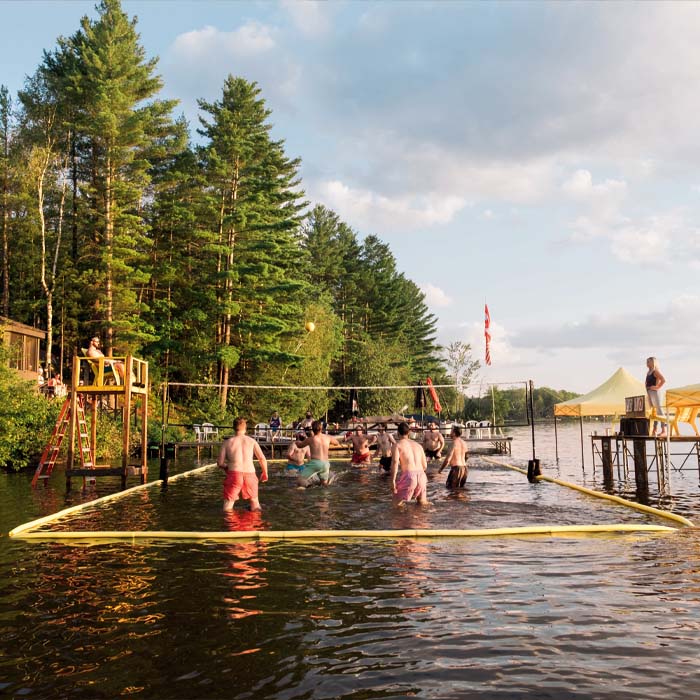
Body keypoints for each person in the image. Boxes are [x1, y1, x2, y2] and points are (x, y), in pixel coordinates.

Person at [217, 417, 268, 511]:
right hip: (250, 474)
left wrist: (226, 467)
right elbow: (262, 458)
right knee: (255, 503)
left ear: (233, 427)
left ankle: (230, 524)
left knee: (228, 505)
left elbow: (220, 463)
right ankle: (255, 524)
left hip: (234, 474)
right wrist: (265, 473)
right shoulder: (252, 441)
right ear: (245, 428)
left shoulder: (227, 443)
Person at [391, 421, 429, 506]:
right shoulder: (418, 445)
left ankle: (404, 519)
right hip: (422, 475)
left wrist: (393, 481)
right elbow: (425, 466)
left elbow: (395, 463)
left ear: (398, 433)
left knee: (395, 505)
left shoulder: (397, 445)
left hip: (409, 476)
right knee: (423, 504)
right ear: (409, 433)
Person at [294, 420, 340, 487]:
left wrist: (296, 442)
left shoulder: (311, 439)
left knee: (300, 480)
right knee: (324, 485)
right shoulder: (328, 437)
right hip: (326, 464)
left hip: (315, 463)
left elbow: (300, 445)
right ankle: (325, 495)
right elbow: (337, 443)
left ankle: (309, 487)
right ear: (321, 428)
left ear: (312, 429)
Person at [646, 357, 667, 437]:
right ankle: (654, 430)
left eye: (648, 361)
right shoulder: (648, 372)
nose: (647, 363)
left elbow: (663, 380)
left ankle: (663, 430)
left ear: (652, 362)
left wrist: (657, 387)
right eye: (646, 361)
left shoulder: (655, 371)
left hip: (655, 392)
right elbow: (647, 382)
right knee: (654, 411)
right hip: (649, 393)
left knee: (659, 410)